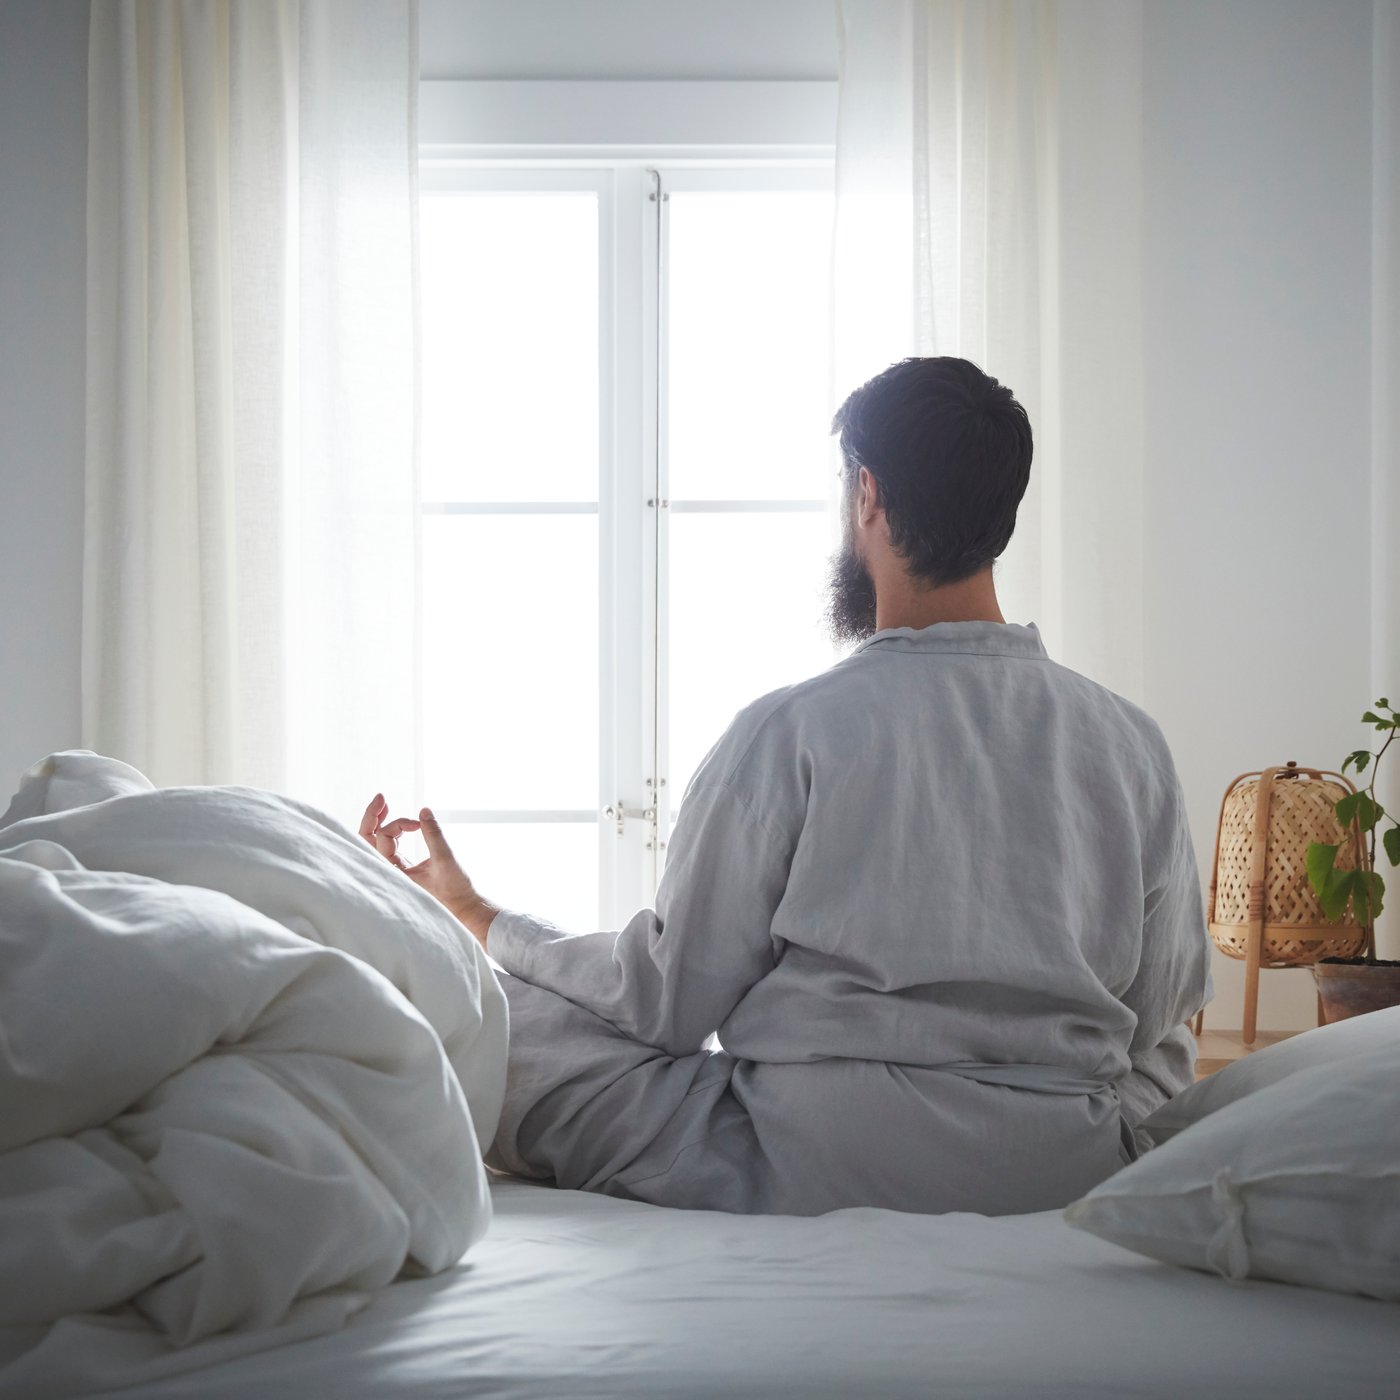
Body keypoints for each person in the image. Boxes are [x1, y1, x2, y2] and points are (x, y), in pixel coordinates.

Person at [361, 356, 1211, 1217]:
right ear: (1002, 514)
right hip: (1056, 1162)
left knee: (494, 1013)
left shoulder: (789, 732)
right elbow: (1161, 1018)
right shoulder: (1130, 743)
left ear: (867, 494)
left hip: (812, 1157)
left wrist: (477, 915)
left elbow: (665, 1003)